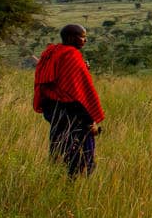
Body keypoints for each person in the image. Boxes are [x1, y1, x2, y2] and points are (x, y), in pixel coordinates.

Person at [33, 24, 105, 177]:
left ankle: (59, 179)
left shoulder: (55, 52)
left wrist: (82, 68)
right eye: (82, 36)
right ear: (71, 38)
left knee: (59, 148)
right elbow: (73, 94)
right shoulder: (71, 56)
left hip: (53, 110)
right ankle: (75, 184)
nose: (85, 40)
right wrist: (89, 121)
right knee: (77, 155)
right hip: (71, 112)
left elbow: (60, 79)